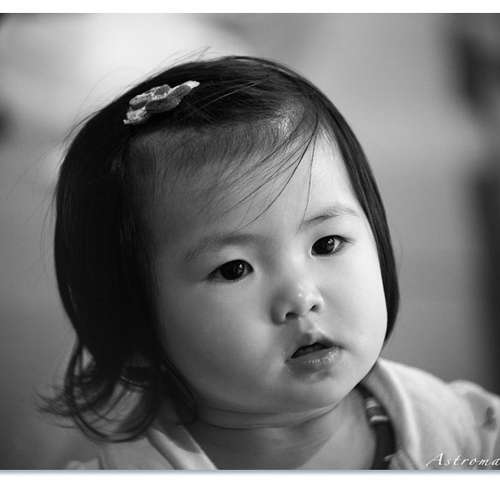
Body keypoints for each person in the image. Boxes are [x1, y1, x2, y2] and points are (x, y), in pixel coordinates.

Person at [48, 55, 500, 470]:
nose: (301, 298)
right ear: (130, 321)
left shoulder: (468, 435)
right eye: (234, 269)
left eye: (327, 244)